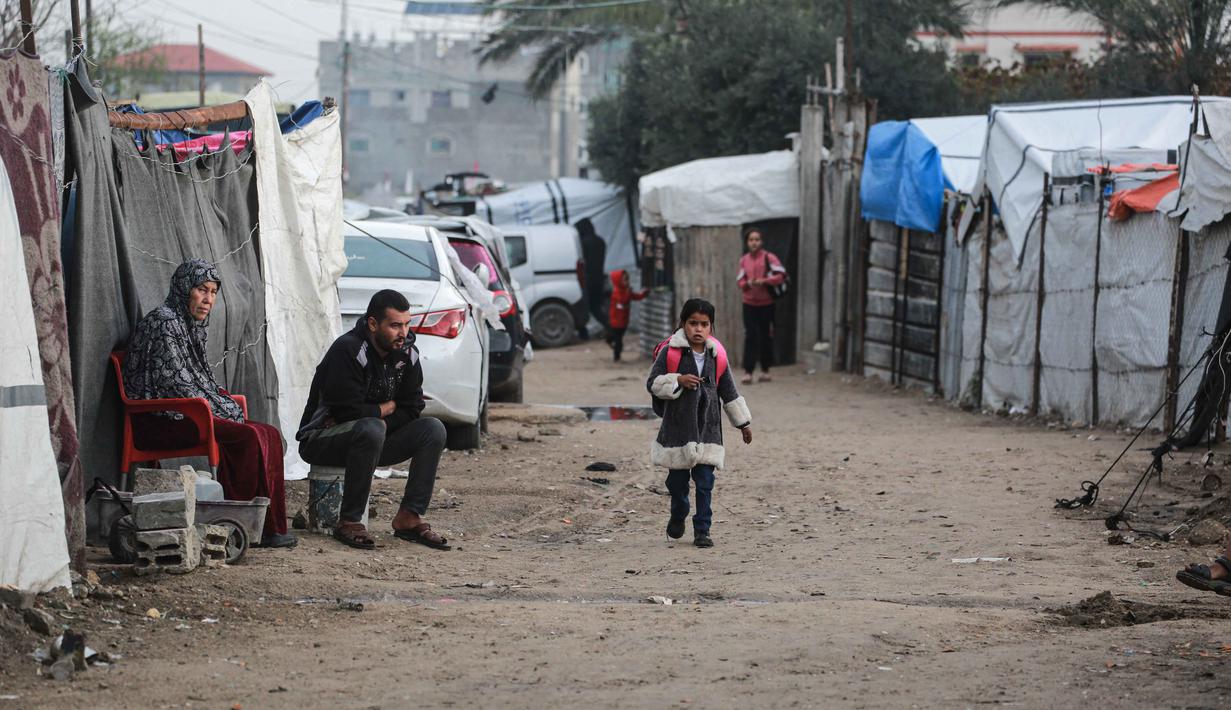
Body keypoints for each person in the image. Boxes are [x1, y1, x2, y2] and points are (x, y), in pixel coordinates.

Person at [123, 259, 296, 548]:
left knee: (268, 433)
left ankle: (267, 526)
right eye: (201, 290)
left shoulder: (188, 325)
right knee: (248, 435)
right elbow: (177, 383)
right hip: (159, 420)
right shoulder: (165, 322)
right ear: (184, 288)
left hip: (186, 413)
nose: (208, 299)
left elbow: (200, 380)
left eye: (213, 292)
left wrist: (222, 404)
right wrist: (222, 407)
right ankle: (241, 523)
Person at [297, 289, 449, 551]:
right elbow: (345, 411)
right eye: (395, 325)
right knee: (370, 428)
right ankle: (350, 521)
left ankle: (409, 517)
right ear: (373, 324)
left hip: (371, 439)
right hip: (322, 439)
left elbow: (413, 407)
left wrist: (380, 418)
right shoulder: (348, 349)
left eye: (407, 324)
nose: (403, 333)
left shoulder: (407, 354)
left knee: (433, 429)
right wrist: (386, 408)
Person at [646, 298, 753, 548]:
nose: (698, 329)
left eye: (704, 324)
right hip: (678, 431)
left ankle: (702, 530)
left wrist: (743, 423)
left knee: (705, 482)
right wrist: (677, 380)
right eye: (693, 323)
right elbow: (652, 383)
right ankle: (679, 510)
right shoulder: (671, 352)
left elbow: (729, 390)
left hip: (708, 430)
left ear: (711, 327)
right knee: (677, 482)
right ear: (683, 323)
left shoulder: (717, 356)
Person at [736, 228, 787, 384]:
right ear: (747, 242)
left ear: (761, 242)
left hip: (767, 304)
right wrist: (747, 283)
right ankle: (748, 372)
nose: (754, 243)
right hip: (749, 304)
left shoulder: (769, 257)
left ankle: (765, 370)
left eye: (757, 239)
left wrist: (764, 281)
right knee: (750, 336)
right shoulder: (744, 260)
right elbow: (740, 280)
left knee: (766, 336)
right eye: (751, 240)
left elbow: (781, 275)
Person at [606, 269, 648, 362]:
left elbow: (635, 297)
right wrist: (628, 292)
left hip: (623, 320)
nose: (627, 282)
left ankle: (612, 343)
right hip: (616, 321)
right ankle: (617, 356)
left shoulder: (626, 291)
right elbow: (623, 300)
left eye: (627, 279)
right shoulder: (617, 292)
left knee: (617, 337)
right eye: (625, 280)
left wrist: (644, 294)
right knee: (618, 339)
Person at [576, 217, 608, 338]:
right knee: (596, 306)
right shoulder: (600, 241)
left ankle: (585, 333)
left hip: (588, 280)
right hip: (599, 278)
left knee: (588, 307)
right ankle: (608, 327)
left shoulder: (584, 243)